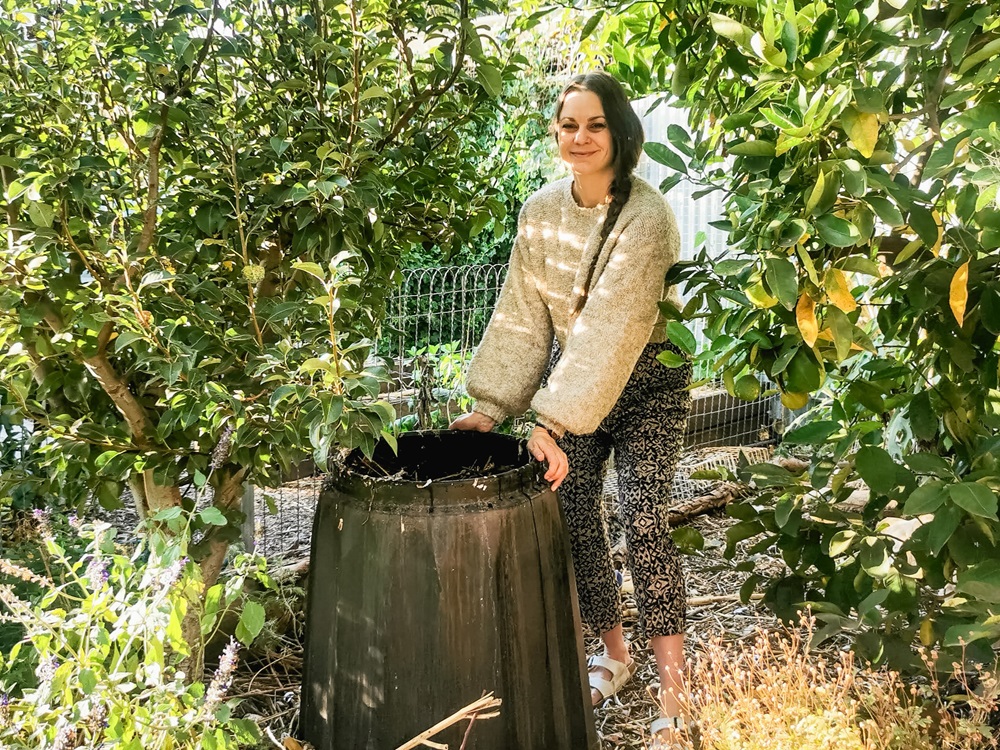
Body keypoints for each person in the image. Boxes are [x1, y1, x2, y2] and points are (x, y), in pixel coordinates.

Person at [449, 71, 692, 746]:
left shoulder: (647, 217)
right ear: (555, 132)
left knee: (644, 524)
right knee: (573, 514)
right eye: (568, 125)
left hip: (645, 382)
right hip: (571, 389)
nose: (580, 138)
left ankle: (674, 698)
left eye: (595, 125)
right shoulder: (540, 211)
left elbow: (613, 328)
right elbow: (523, 318)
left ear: (621, 134)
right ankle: (614, 656)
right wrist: (494, 407)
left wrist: (548, 422)